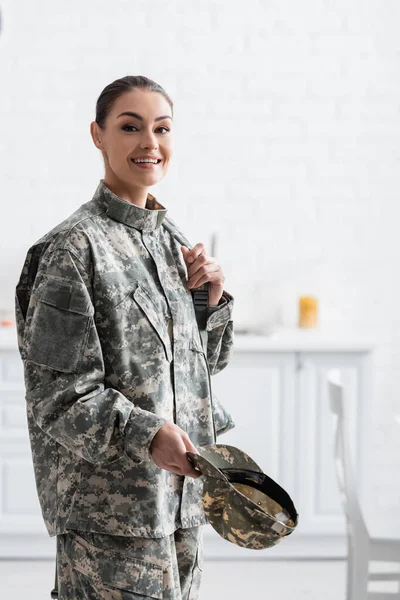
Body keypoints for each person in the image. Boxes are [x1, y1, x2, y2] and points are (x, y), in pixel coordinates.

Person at [14, 75, 235, 600]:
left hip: (179, 506)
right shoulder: (72, 250)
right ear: (98, 134)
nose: (149, 144)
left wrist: (212, 302)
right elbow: (59, 399)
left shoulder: (172, 240)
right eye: (130, 126)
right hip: (110, 520)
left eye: (161, 128)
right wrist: (146, 433)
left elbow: (204, 370)